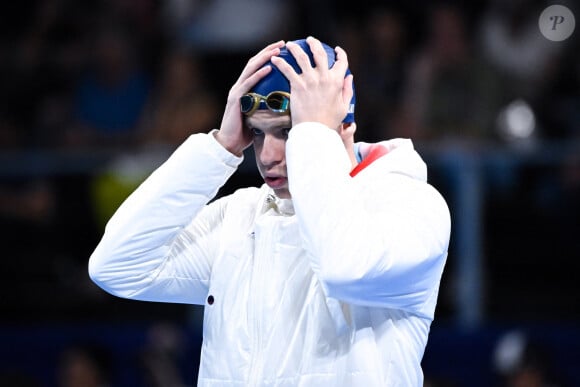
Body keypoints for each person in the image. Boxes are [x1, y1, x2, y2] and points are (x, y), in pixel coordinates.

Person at [89, 36, 451, 386]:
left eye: (287, 132)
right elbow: (118, 267)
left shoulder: (412, 204)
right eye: (258, 134)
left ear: (343, 124)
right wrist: (220, 147)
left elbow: (344, 266)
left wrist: (311, 133)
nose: (266, 156)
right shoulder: (240, 217)